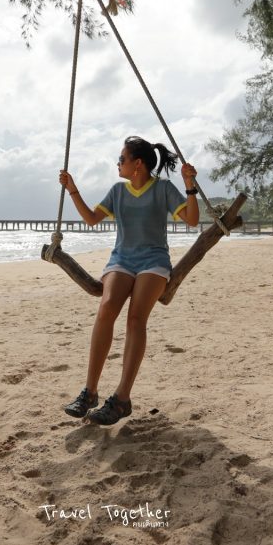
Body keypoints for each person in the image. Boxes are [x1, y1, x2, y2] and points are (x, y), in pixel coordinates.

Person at [58, 136, 200, 425]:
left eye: (121, 159)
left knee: (135, 319)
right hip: (122, 260)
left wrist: (190, 186)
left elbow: (193, 220)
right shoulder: (117, 191)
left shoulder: (162, 188)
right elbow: (92, 219)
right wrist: (73, 190)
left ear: (138, 164)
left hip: (154, 261)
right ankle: (90, 392)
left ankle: (122, 398)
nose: (118, 164)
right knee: (107, 307)